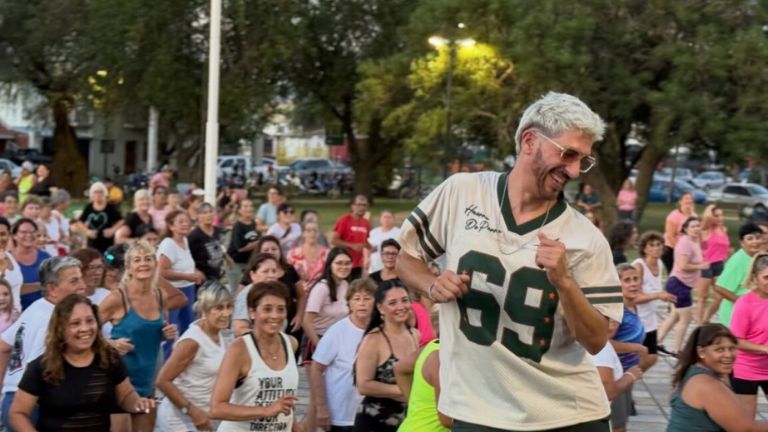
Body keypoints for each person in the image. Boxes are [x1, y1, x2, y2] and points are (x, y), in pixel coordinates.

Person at [396, 92, 623, 431]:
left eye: (583, 160)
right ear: (530, 140)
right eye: (568, 154)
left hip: (566, 415)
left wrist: (564, 283)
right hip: (478, 410)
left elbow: (596, 339)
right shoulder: (462, 192)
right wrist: (432, 283)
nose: (575, 170)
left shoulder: (584, 237)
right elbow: (406, 257)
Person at [8, 294, 156, 431]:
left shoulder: (109, 358)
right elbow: (18, 413)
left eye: (90, 321)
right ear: (60, 329)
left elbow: (125, 395)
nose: (85, 329)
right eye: (75, 323)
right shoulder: (42, 367)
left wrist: (137, 403)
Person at [98, 240, 178, 432]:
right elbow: (84, 333)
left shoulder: (160, 295)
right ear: (128, 267)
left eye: (148, 258)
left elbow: (159, 331)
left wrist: (167, 333)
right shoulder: (118, 297)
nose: (143, 263)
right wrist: (110, 343)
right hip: (119, 382)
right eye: (137, 260)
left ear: (155, 264)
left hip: (147, 381)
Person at [0, 256, 86, 430]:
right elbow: (40, 368)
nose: (82, 286)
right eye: (74, 281)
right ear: (52, 289)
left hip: (13, 399)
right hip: (32, 406)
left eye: (80, 278)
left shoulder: (38, 306)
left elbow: (3, 346)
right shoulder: (52, 319)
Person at [210, 281, 300, 431]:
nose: (275, 316)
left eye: (281, 309)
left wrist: (294, 426)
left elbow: (285, 403)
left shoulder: (291, 344)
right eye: (267, 309)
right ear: (252, 312)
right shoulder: (240, 349)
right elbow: (217, 408)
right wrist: (266, 410)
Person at [156, 281, 234, 431]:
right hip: (179, 421)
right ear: (204, 310)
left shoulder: (219, 334)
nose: (226, 313)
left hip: (203, 418)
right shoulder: (192, 342)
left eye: (228, 306)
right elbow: (162, 381)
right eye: (218, 308)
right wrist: (192, 411)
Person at [666, 323, 768, 431]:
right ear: (701, 351)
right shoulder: (705, 384)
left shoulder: (689, 372)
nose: (728, 355)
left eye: (732, 349)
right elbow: (745, 429)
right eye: (719, 350)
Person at [309, 278, 376, 432]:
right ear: (349, 303)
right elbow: (316, 368)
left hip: (369, 413)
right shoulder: (337, 331)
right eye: (357, 299)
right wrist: (321, 407)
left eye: (367, 298)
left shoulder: (378, 331)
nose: (362, 303)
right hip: (340, 414)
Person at [353, 280, 420, 432]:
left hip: (407, 421)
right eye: (392, 303)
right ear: (380, 308)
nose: (401, 307)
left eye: (404, 300)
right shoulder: (373, 339)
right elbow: (363, 385)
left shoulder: (415, 334)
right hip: (375, 422)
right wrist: (402, 389)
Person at [658, 217, 707, 356]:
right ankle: (677, 349)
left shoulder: (694, 241)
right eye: (693, 226)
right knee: (685, 319)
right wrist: (700, 266)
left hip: (682, 285)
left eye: (698, 225)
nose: (697, 228)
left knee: (674, 316)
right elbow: (683, 265)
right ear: (685, 228)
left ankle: (656, 342)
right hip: (679, 284)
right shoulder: (685, 243)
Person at [728, 252, 768, 418]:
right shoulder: (745, 303)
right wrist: (765, 349)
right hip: (745, 368)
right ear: (754, 278)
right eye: (766, 277)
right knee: (745, 422)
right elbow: (736, 340)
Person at [608, 264, 647, 432]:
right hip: (614, 376)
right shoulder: (617, 312)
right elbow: (602, 343)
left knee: (622, 424)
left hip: (627, 374)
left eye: (636, 279)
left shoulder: (631, 305)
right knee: (617, 427)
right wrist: (636, 347)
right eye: (627, 280)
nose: (633, 284)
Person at [157, 210, 204, 348]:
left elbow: (186, 264)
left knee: (187, 327)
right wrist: (188, 276)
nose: (186, 224)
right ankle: (166, 361)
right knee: (171, 329)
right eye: (181, 222)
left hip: (188, 289)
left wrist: (195, 272)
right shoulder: (168, 244)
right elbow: (162, 271)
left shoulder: (184, 240)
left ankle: (184, 357)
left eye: (187, 221)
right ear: (171, 226)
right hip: (173, 291)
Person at [631, 231, 676, 371]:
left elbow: (656, 291)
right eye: (652, 245)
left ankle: (629, 377)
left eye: (659, 244)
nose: (656, 248)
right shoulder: (639, 266)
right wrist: (658, 295)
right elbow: (634, 297)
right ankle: (626, 379)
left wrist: (666, 297)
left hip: (650, 321)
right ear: (644, 249)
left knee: (651, 357)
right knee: (642, 356)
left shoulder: (660, 264)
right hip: (637, 320)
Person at [591, 316, 643, 432]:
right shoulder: (601, 350)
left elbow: (612, 344)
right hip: (603, 413)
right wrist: (630, 375)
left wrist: (634, 347)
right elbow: (608, 392)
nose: (614, 319)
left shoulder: (599, 341)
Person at [303, 247, 352, 363]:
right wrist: (321, 348)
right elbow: (306, 322)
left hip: (337, 341)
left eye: (347, 263)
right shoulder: (322, 288)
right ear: (330, 265)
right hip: (317, 340)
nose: (344, 267)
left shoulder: (345, 285)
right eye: (339, 263)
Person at [713, 222, 764, 328]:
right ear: (742, 243)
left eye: (758, 238)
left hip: (753, 313)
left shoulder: (758, 257)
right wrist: (742, 304)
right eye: (750, 239)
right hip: (734, 315)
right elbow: (719, 287)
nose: (755, 242)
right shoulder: (738, 261)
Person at [232, 253, 281, 336]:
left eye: (274, 271)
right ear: (253, 275)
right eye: (265, 271)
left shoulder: (277, 293)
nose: (271, 275)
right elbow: (239, 329)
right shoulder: (246, 295)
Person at [697, 204, 730, 325]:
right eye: (716, 216)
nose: (720, 218)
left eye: (721, 215)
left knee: (720, 295)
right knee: (702, 298)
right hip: (706, 264)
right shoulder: (706, 229)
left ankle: (706, 318)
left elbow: (723, 247)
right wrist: (710, 208)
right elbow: (703, 243)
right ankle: (699, 324)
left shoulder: (723, 229)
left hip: (719, 264)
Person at [11, 218, 51, 310]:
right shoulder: (7, 259)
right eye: (23, 232)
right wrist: (41, 285)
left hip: (42, 311)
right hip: (15, 313)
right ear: (14, 236)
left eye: (32, 232)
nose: (29, 235)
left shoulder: (46, 257)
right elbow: (9, 289)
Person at [76, 182, 124, 253]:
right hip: (92, 243)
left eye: (101, 192)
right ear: (91, 194)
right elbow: (80, 222)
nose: (98, 194)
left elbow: (121, 220)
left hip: (108, 243)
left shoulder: (110, 207)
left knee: (109, 260)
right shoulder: (89, 207)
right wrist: (87, 231)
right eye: (95, 192)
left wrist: (112, 230)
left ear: (105, 193)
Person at [331, 195, 371, 280]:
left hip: (358, 265)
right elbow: (334, 240)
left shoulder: (366, 222)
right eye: (359, 205)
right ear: (352, 206)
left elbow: (365, 240)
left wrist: (371, 248)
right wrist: (352, 246)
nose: (361, 207)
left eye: (364, 205)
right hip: (344, 265)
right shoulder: (344, 220)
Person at [188, 202, 228, 282]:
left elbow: (220, 246)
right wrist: (196, 271)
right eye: (205, 213)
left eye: (210, 212)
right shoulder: (194, 236)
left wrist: (227, 258)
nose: (208, 215)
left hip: (217, 275)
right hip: (201, 278)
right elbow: (188, 257)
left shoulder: (218, 231)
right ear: (198, 216)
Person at [227, 199, 259, 293]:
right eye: (245, 206)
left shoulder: (253, 223)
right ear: (240, 210)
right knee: (237, 292)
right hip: (235, 263)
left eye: (250, 206)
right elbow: (240, 248)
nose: (248, 209)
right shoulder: (238, 226)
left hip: (249, 263)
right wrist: (257, 243)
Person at [286, 220, 329, 288]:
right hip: (298, 291)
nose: (312, 233)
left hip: (321, 290)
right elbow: (288, 275)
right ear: (303, 233)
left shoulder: (327, 253)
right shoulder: (293, 253)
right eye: (309, 230)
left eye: (315, 230)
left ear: (319, 233)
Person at [662, 192, 696, 273]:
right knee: (675, 274)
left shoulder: (693, 215)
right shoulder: (673, 216)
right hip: (671, 249)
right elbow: (670, 236)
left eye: (691, 199)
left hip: (687, 250)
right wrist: (680, 250)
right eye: (686, 199)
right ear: (680, 201)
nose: (689, 201)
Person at [0, 218, 23, 312]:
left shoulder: (10, 256)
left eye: (3, 234)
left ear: (9, 235)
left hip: (15, 319)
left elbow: (16, 287)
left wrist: (41, 286)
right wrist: (2, 271)